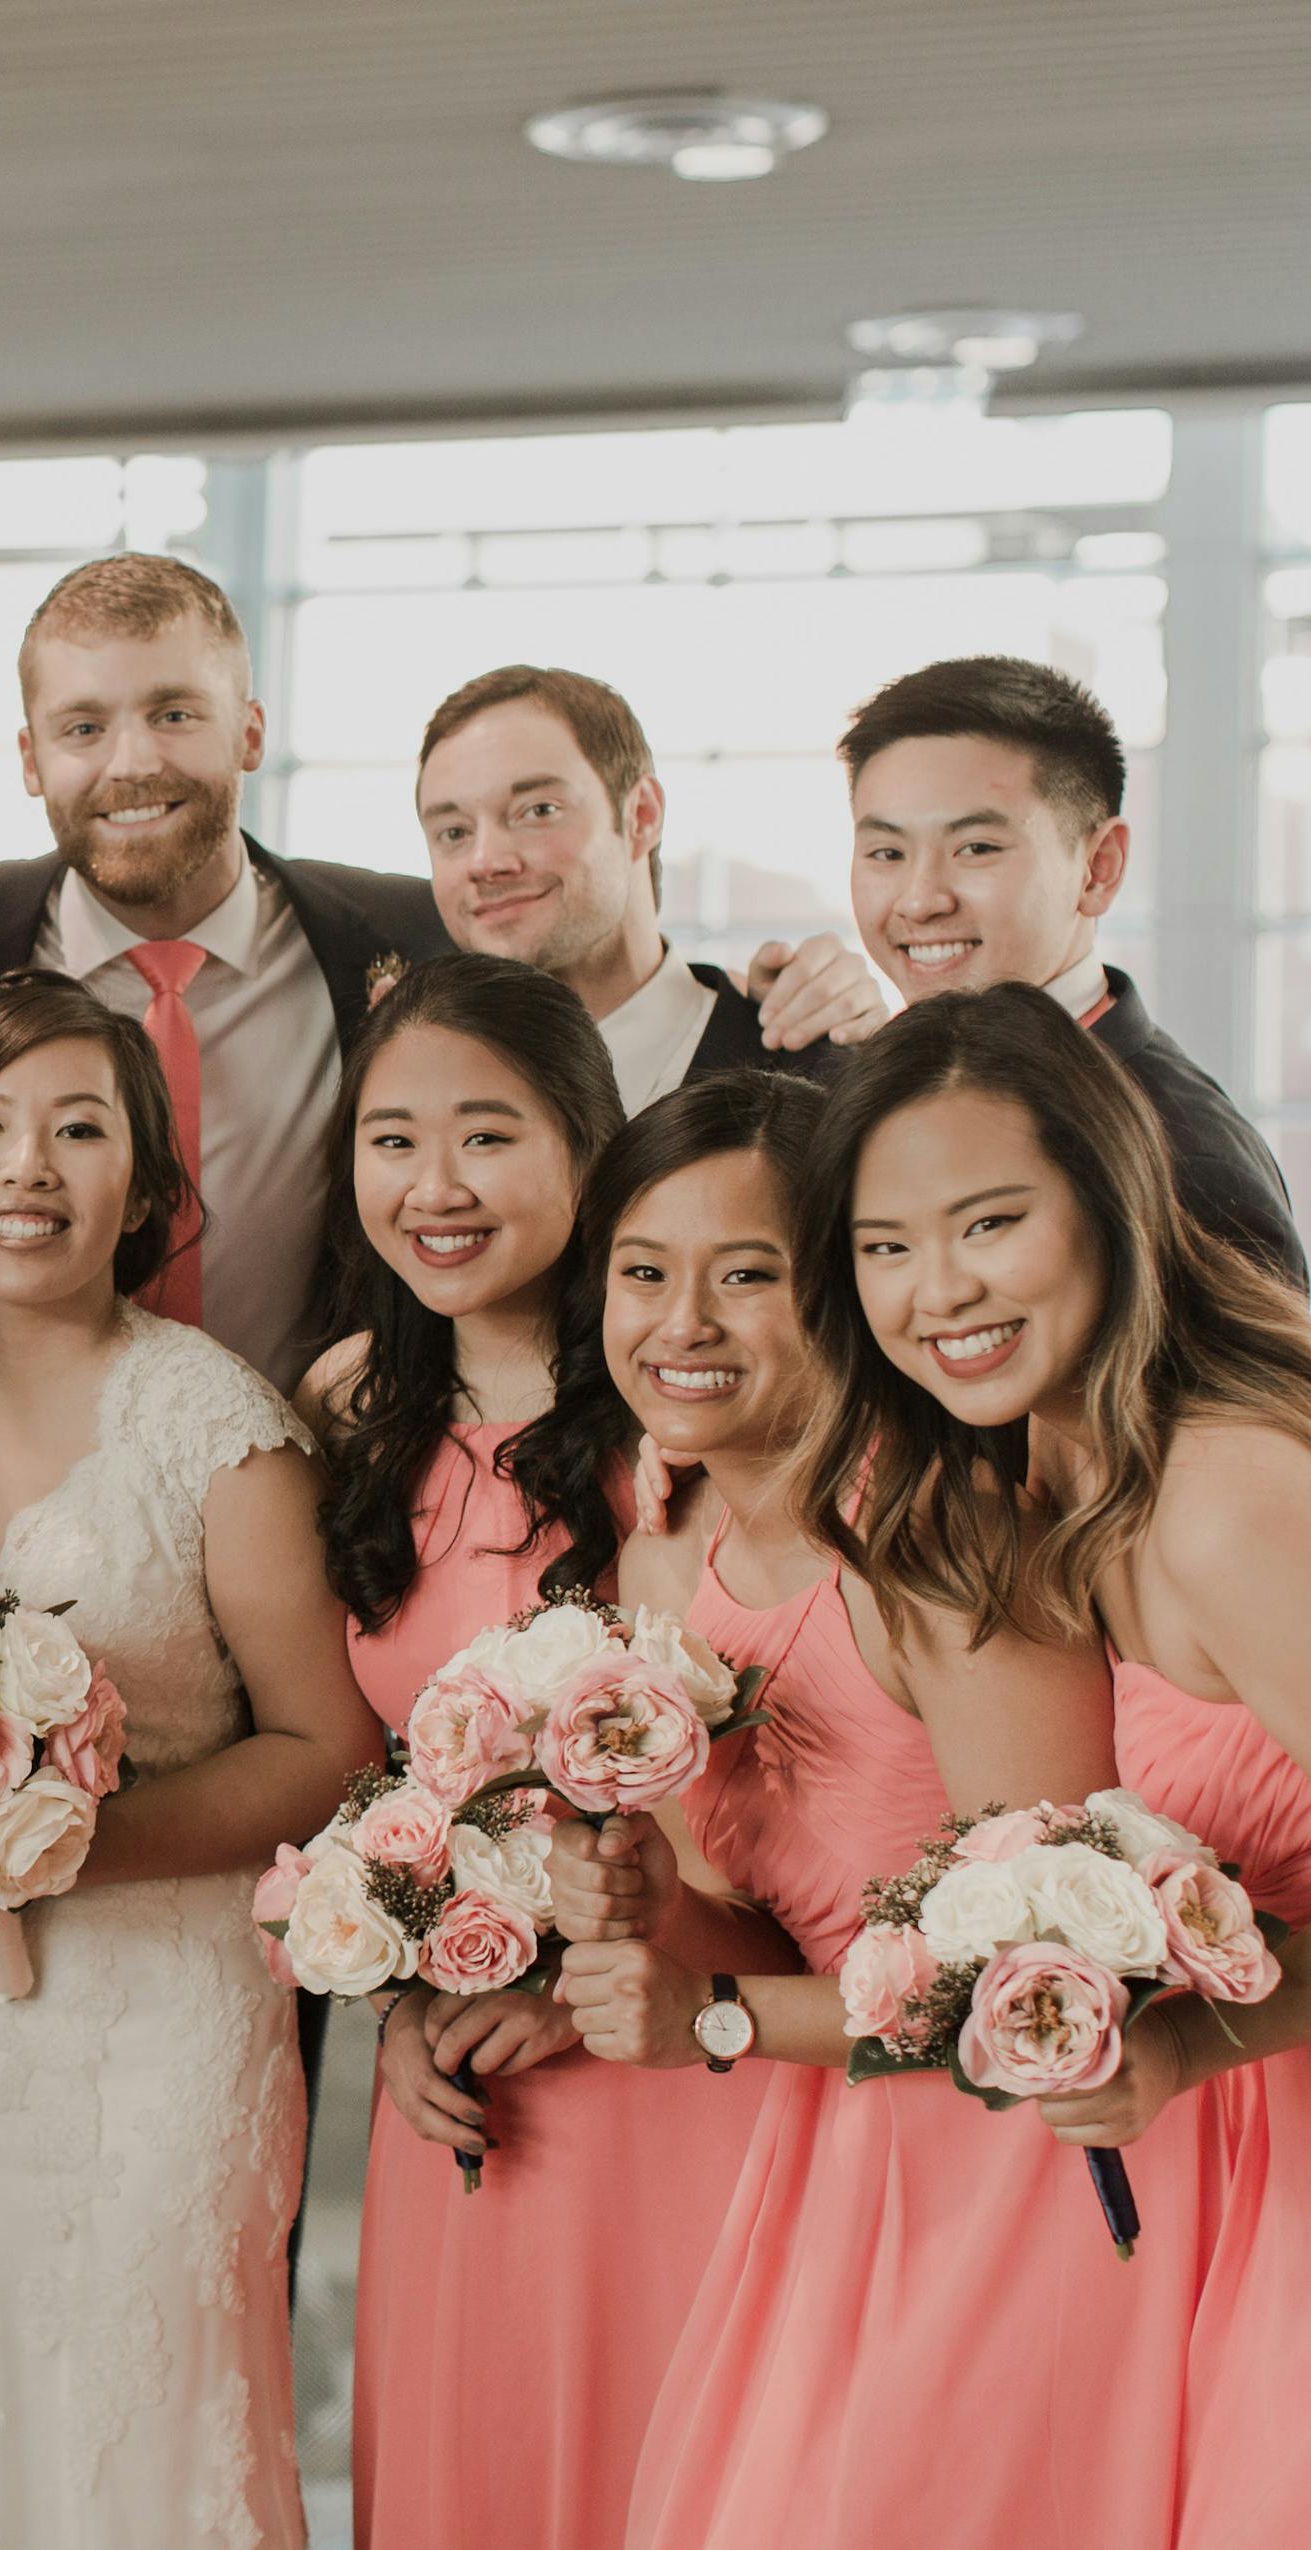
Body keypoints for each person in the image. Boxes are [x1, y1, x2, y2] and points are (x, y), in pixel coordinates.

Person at [555, 1011, 1215, 2549]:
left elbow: (1054, 1971)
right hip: (842, 2157)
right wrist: (665, 1914)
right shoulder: (670, 1558)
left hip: (1028, 2164)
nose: (680, 1320)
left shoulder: (940, 1546)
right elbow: (774, 1933)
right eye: (644, 1272)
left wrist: (709, 2020)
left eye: (749, 1273)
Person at [0, 967, 380, 2549]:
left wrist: (67, 1837)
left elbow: (330, 1749)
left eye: (82, 1127)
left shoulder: (217, 1425)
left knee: (133, 2428)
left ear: (144, 1176)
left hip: (161, 2032)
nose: (30, 1166)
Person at [783, 985, 1311, 2538]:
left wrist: (1210, 2039)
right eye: (885, 1246)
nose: (934, 1288)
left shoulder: (1222, 1496)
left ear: (1113, 1199)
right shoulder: (1033, 1469)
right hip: (1228, 2168)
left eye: (989, 1221)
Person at [291, 957, 761, 2550]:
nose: (434, 1187)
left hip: (658, 2031)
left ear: (586, 1143)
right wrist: (403, 1990)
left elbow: (763, 1762)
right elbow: (363, 1774)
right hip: (462, 2076)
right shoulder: (350, 1408)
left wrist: (582, 1980)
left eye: (487, 1136)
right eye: (392, 1137)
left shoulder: (672, 1416)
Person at [0, 556, 442, 1388]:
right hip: (4, 1483)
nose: (132, 762)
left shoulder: (414, 935)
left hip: (327, 1479)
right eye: (82, 727)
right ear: (31, 758)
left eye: (176, 713)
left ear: (251, 730)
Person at [840, 653, 1302, 1285]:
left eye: (976, 848)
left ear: (1098, 867)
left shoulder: (1187, 1159)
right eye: (886, 852)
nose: (920, 901)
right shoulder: (861, 1085)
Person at [412, 663, 879, 1109]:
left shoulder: (819, 1077)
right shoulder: (414, 1079)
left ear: (641, 816)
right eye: (454, 832)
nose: (486, 861)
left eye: (538, 810)